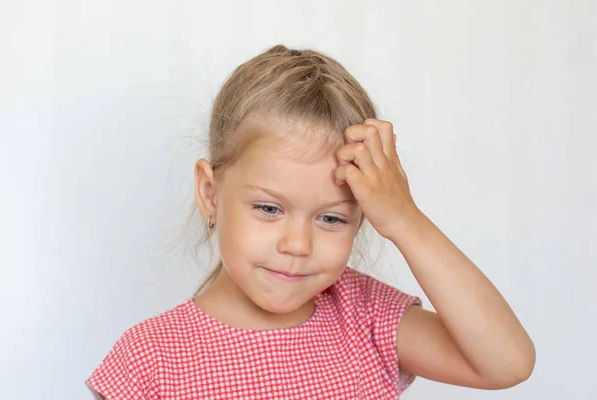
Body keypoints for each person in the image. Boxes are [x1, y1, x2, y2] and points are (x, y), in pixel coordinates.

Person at [85, 44, 535, 399]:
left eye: (331, 217)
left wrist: (405, 220)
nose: (297, 244)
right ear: (210, 193)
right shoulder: (150, 359)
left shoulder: (365, 317)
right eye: (269, 208)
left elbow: (507, 363)